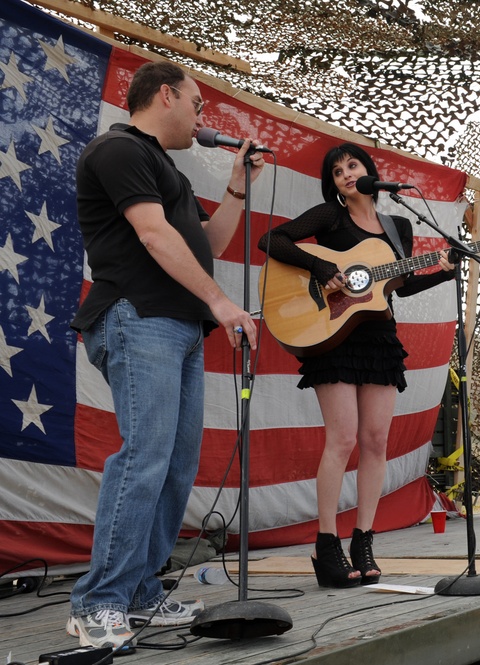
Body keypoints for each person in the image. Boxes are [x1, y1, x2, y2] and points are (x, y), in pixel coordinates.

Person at [67, 61, 265, 648]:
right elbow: (153, 238)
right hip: (137, 316)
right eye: (198, 103)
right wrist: (225, 306)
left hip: (178, 325)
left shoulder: (167, 173)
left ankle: (139, 590)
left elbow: (207, 246)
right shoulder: (119, 149)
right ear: (165, 94)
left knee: (176, 464)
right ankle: (98, 601)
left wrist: (236, 184)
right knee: (145, 456)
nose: (204, 116)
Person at [258, 143, 455, 588]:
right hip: (332, 335)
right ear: (333, 183)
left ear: (369, 172)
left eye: (353, 165)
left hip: (379, 338)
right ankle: (325, 542)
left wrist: (445, 268)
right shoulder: (329, 217)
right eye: (337, 171)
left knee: (375, 441)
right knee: (342, 438)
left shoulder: (398, 225)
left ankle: (362, 540)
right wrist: (323, 266)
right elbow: (271, 240)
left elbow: (398, 287)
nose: (346, 174)